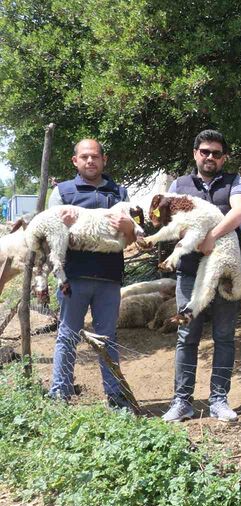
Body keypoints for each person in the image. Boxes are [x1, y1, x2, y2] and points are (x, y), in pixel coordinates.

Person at [162, 130, 241, 423]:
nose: (210, 157)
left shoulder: (234, 182)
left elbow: (240, 213)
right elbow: (171, 218)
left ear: (224, 157)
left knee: (224, 337)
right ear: (195, 153)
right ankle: (181, 401)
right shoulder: (179, 184)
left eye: (216, 153)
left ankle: (219, 401)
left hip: (224, 273)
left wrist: (211, 236)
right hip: (189, 274)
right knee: (187, 336)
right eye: (204, 151)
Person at [47, 139, 138, 408]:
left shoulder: (119, 193)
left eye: (95, 157)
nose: (90, 161)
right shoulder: (62, 193)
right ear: (75, 161)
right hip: (73, 279)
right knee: (67, 335)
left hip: (109, 279)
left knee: (107, 338)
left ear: (104, 160)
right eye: (84, 157)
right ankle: (60, 394)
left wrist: (128, 227)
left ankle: (115, 396)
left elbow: (132, 239)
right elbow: (48, 235)